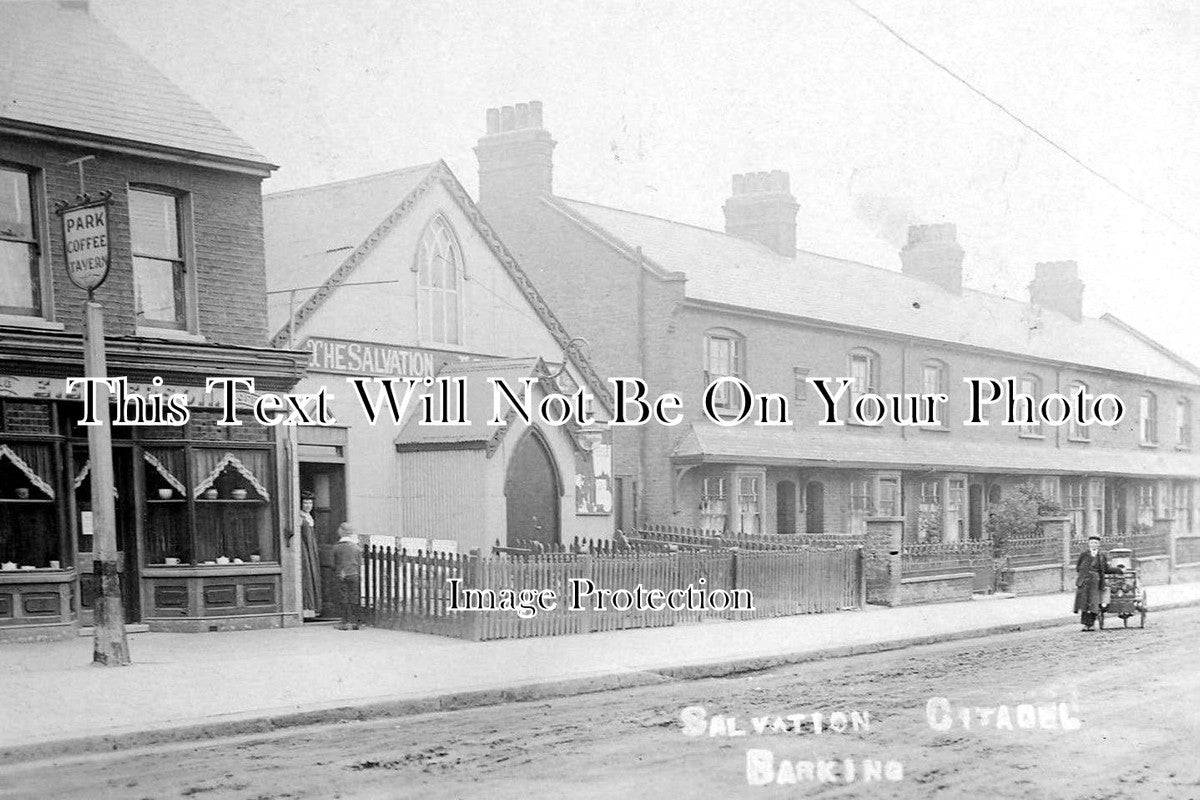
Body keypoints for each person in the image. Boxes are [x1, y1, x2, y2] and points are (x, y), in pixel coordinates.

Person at [1074, 535, 1122, 631]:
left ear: (1099, 544)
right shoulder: (1084, 554)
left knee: (1093, 603)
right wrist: (1084, 575)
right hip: (1084, 581)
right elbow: (1078, 567)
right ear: (1088, 544)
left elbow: (1106, 569)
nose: (1093, 545)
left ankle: (1091, 624)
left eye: (1095, 543)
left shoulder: (1101, 556)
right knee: (1084, 603)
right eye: (1092, 543)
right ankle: (1085, 624)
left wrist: (1118, 570)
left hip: (1095, 581)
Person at [332, 523, 362, 630]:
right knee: (354, 597)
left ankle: (345, 622)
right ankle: (355, 622)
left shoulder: (336, 547)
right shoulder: (356, 548)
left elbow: (334, 563)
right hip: (354, 574)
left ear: (341, 532)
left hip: (342, 575)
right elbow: (359, 562)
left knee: (343, 597)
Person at [298, 491, 322, 618]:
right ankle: (306, 608)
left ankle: (313, 609)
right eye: (305, 502)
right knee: (307, 576)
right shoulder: (300, 517)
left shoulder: (308, 516)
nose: (308, 505)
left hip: (311, 549)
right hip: (304, 550)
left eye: (310, 503)